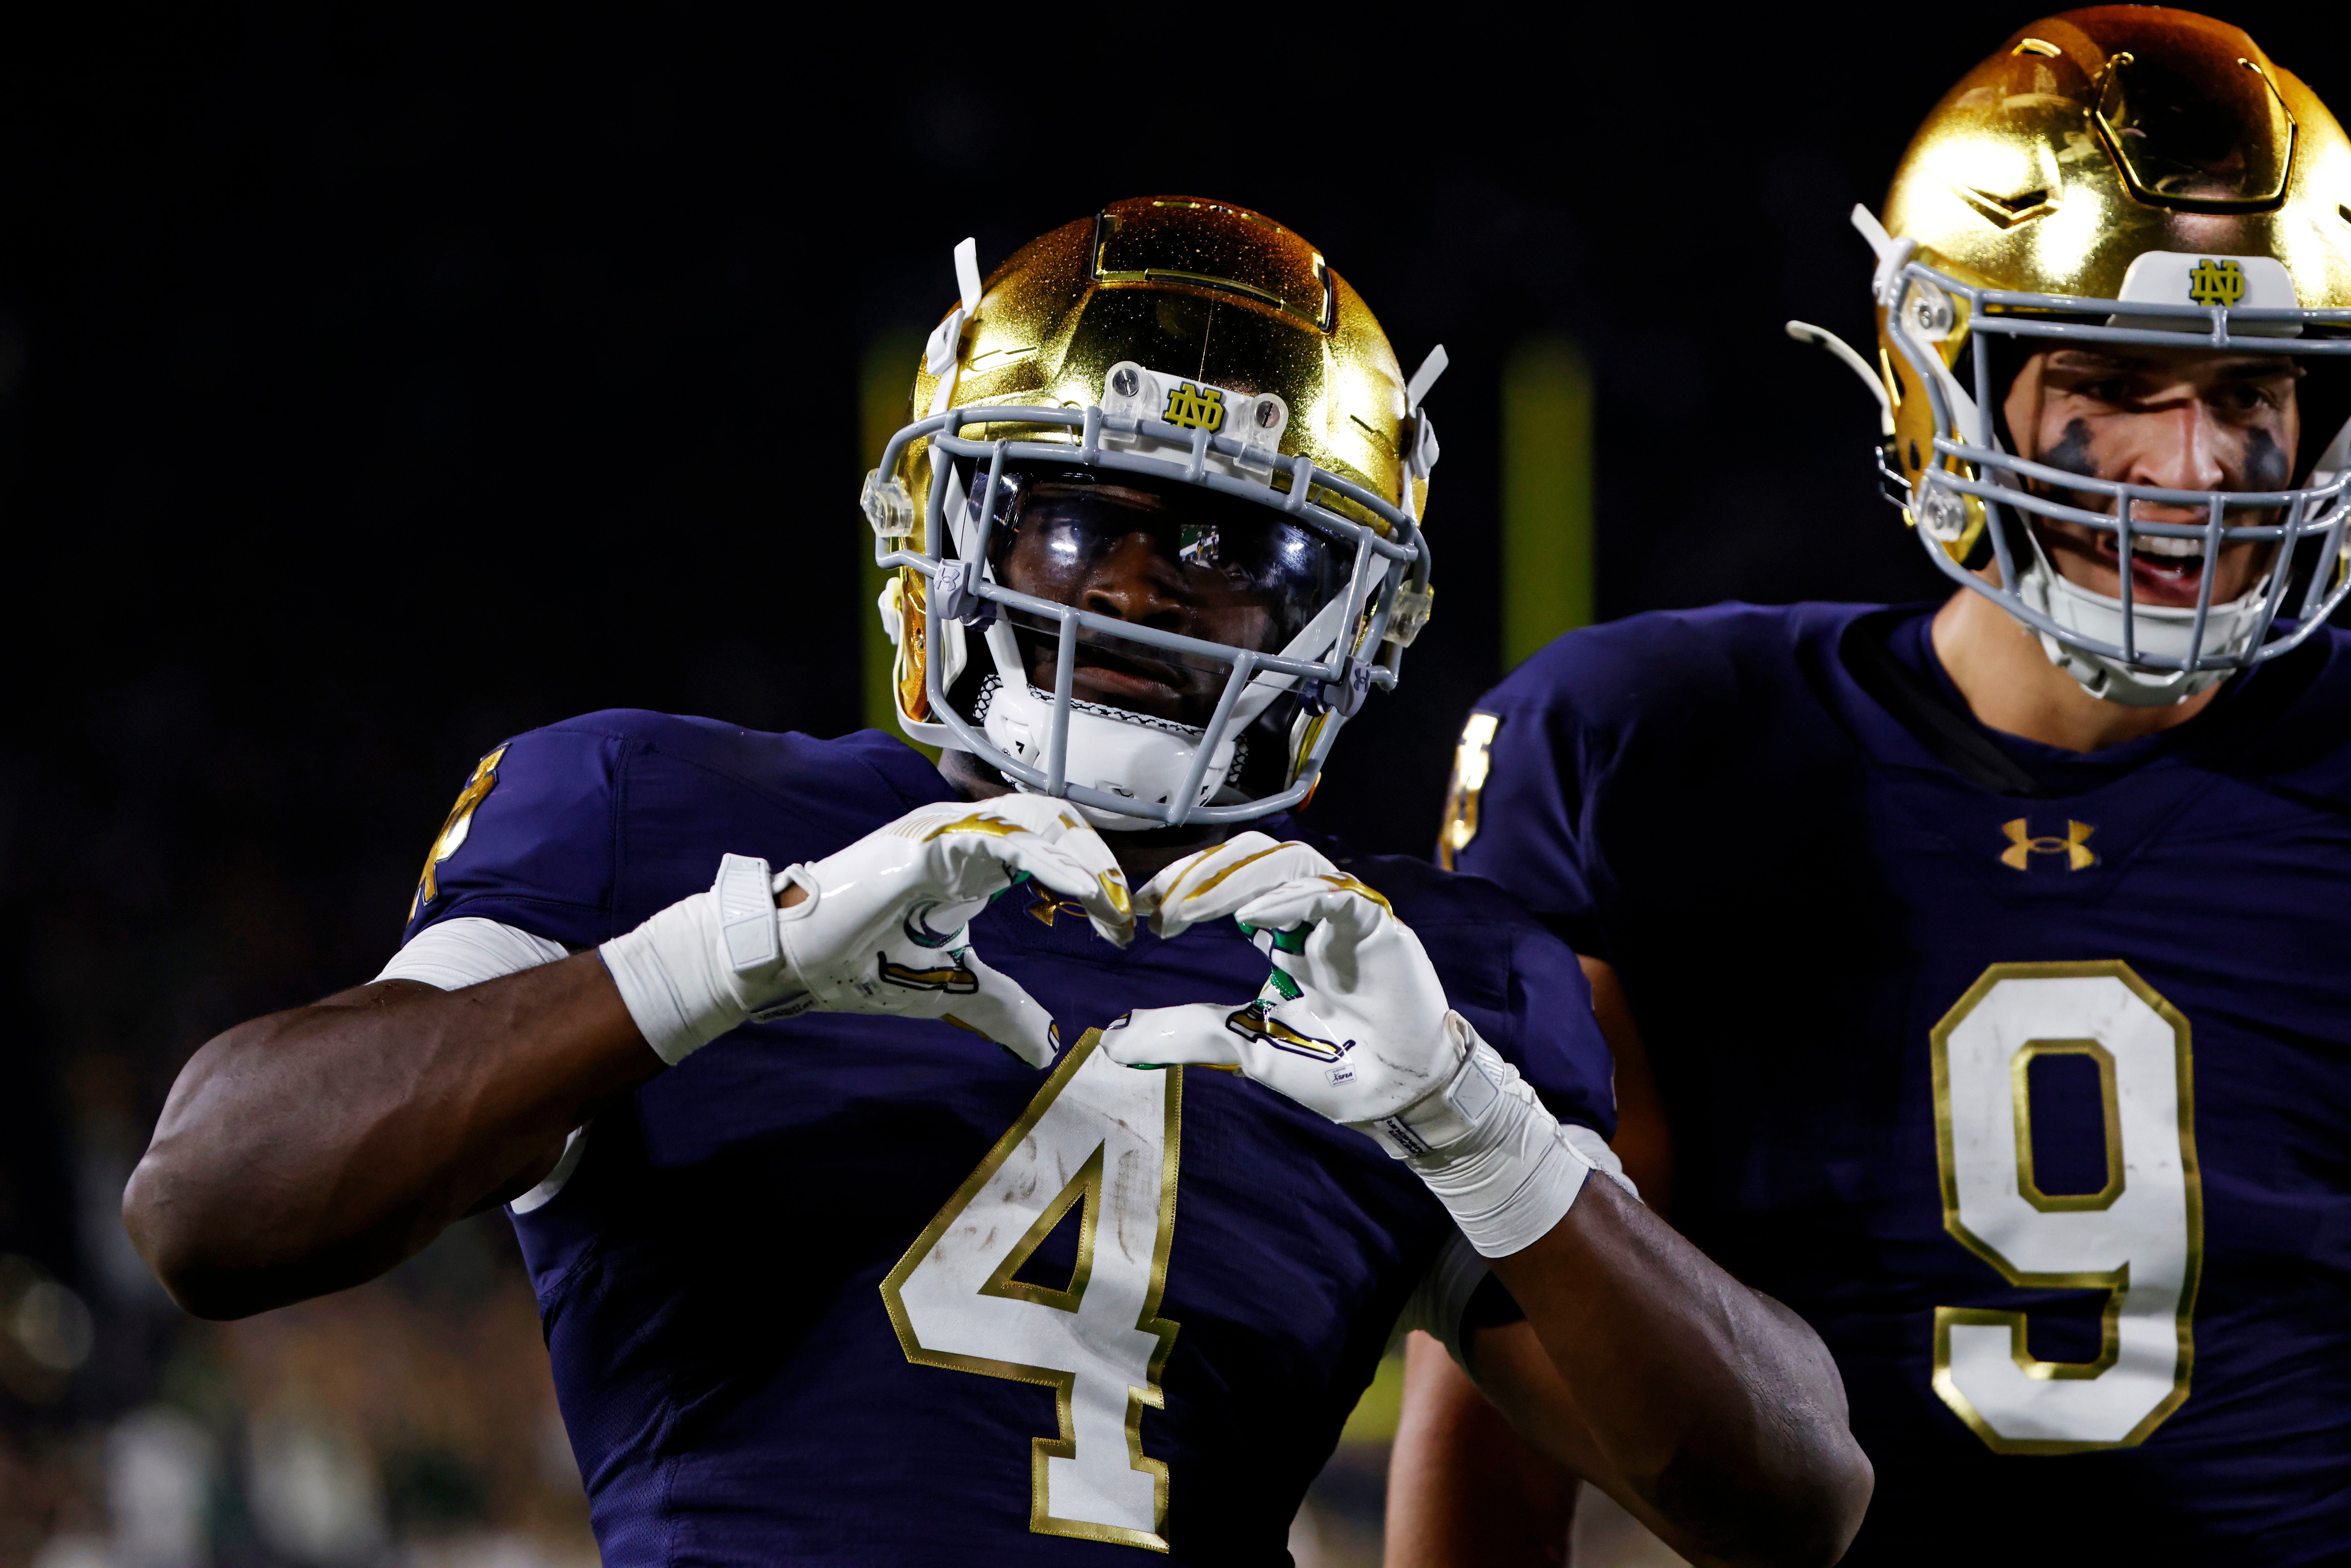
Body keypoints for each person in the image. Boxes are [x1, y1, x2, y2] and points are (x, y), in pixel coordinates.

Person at [120, 198, 1868, 1566]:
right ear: (950, 530)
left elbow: (1790, 1503)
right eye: (1068, 512)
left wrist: (1488, 1137)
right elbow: (208, 1202)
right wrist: (726, 958)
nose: (1133, 583)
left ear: (1342, 616)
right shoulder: (657, 811)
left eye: (1224, 546)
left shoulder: (1418, 976)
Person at [1398, 9, 2351, 1565]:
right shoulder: (1660, 745)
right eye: (2113, 381)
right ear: (1946, 377)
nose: (2197, 468)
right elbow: (1513, 1352)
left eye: (2255, 389)